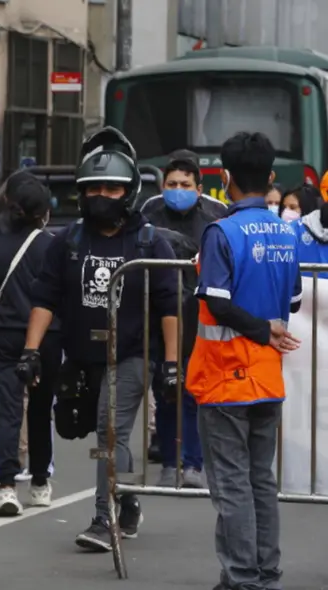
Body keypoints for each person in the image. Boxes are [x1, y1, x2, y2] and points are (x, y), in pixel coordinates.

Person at [17, 127, 181, 552]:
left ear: (129, 191)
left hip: (132, 354)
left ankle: (102, 519)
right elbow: (45, 297)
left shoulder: (150, 243)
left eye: (111, 188)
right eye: (93, 188)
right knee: (101, 435)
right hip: (83, 357)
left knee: (111, 432)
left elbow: (169, 307)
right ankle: (126, 501)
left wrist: (171, 364)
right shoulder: (67, 241)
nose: (101, 196)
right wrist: (31, 351)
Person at [187, 131, 302, 590]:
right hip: (268, 376)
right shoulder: (287, 232)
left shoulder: (222, 232)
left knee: (232, 485)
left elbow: (216, 302)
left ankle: (241, 578)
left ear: (224, 177)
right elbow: (293, 301)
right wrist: (265, 325)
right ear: (271, 177)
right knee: (260, 483)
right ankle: (265, 575)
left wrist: (254, 327)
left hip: (224, 378)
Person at [139, 150, 227, 489]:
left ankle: (193, 463)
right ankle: (168, 462)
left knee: (193, 391)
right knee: (166, 389)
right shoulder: (148, 212)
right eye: (172, 183)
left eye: (185, 184)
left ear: (198, 188)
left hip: (198, 314)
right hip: (158, 315)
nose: (178, 189)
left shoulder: (215, 216)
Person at [0, 173, 60, 515]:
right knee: (42, 408)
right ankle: (40, 482)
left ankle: (7, 486)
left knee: (7, 409)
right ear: (44, 212)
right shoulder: (55, 247)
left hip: (7, 333)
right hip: (48, 336)